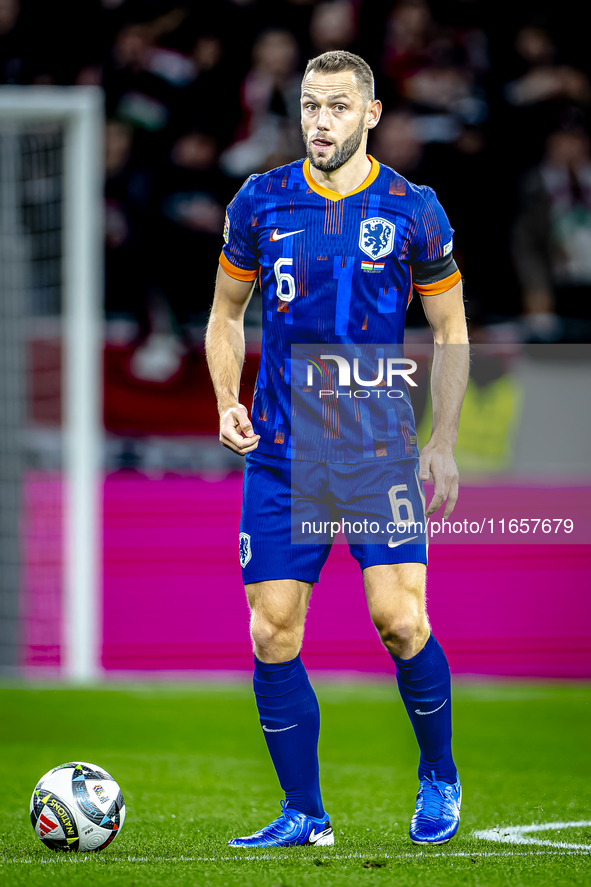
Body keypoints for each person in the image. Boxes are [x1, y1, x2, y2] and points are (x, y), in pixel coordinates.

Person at [205, 49, 469, 848]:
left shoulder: (413, 207)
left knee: (400, 622)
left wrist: (443, 440)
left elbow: (449, 328)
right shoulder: (260, 200)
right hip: (283, 454)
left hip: (377, 452)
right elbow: (225, 314)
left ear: (371, 114)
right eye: (310, 107)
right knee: (271, 630)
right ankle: (303, 813)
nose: (321, 122)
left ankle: (439, 776)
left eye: (337, 108)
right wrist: (225, 400)